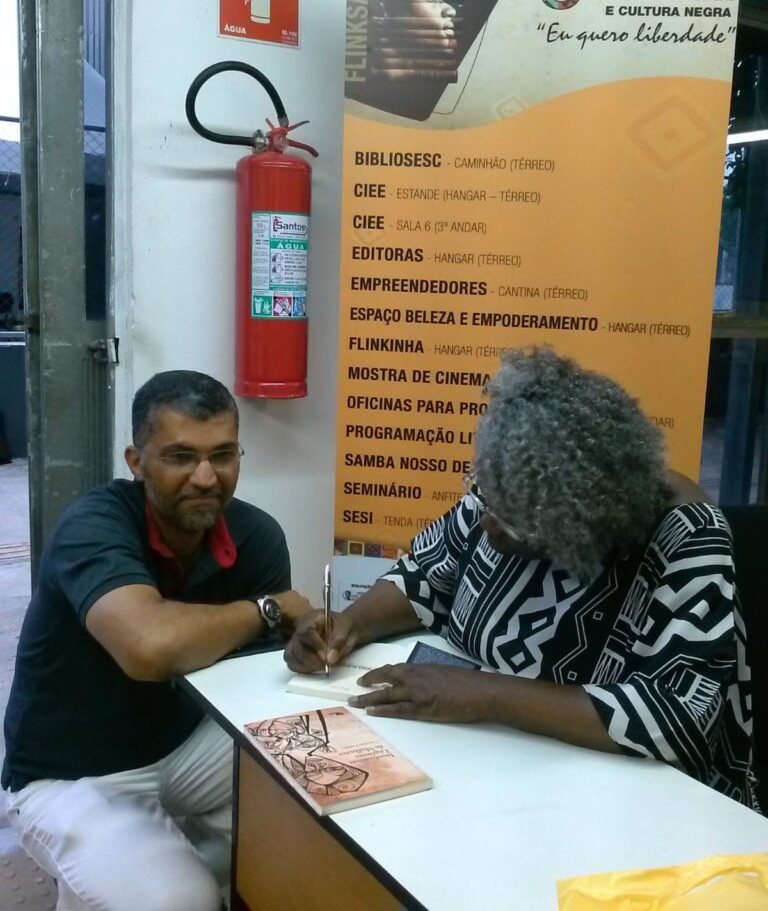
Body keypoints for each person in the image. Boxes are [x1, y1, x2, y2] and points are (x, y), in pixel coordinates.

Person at [286, 347, 759, 811]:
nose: (486, 522)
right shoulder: (510, 484)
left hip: (627, 802)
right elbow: (425, 576)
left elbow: (677, 716)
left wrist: (484, 694)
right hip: (488, 767)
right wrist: (350, 623)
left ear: (577, 521)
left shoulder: (685, 536)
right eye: (483, 497)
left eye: (510, 520)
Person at [3, 370, 310, 911]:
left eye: (223, 455)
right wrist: (266, 610)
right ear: (136, 461)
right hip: (72, 775)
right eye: (179, 456)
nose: (205, 477)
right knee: (177, 901)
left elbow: (260, 680)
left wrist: (310, 644)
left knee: (321, 781)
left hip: (184, 748)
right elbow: (150, 650)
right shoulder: (93, 525)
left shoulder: (257, 535)